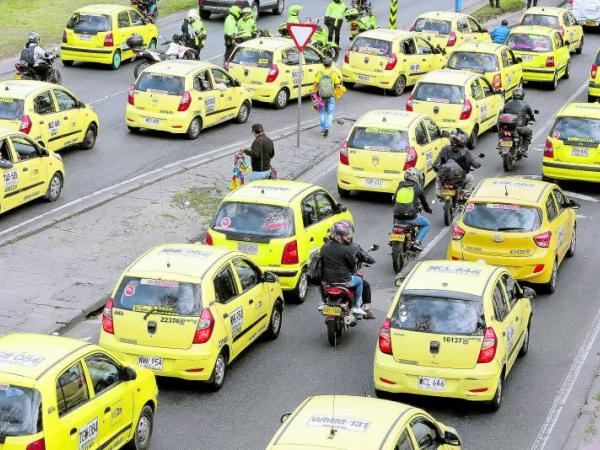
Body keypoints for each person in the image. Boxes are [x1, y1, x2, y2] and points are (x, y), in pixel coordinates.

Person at [320, 220, 367, 315]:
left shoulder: (324, 247)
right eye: (345, 234)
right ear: (338, 236)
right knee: (360, 281)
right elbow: (352, 266)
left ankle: (324, 302)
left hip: (327, 281)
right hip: (344, 281)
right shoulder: (346, 249)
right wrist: (354, 270)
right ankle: (356, 306)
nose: (348, 236)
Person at [393, 168, 432, 252]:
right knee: (427, 224)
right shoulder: (418, 188)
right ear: (416, 177)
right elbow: (424, 203)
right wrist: (429, 210)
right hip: (410, 217)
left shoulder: (400, 185)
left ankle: (394, 234)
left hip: (397, 217)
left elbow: (394, 199)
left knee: (395, 216)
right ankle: (417, 242)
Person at [433, 128, 481, 196]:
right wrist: (478, 164)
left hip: (445, 178)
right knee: (470, 178)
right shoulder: (465, 151)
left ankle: (440, 194)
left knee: (438, 177)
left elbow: (435, 165)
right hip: (459, 178)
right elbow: (475, 164)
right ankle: (465, 196)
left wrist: (441, 171)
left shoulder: (445, 149)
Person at [501, 87, 535, 157]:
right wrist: (533, 118)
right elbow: (531, 114)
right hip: (519, 128)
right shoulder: (525, 104)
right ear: (522, 95)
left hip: (507, 128)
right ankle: (524, 149)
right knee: (529, 133)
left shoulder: (508, 103)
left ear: (513, 95)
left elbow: (502, 113)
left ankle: (501, 144)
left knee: (501, 133)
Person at [313, 58, 342, 137]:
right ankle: (327, 127)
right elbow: (338, 85)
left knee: (322, 112)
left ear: (323, 64)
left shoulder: (320, 73)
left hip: (321, 96)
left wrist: (315, 93)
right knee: (330, 113)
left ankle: (322, 130)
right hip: (330, 96)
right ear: (331, 64)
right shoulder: (334, 73)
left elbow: (315, 84)